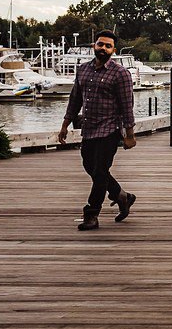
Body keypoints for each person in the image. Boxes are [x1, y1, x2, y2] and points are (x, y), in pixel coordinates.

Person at [58, 30, 136, 231]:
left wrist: (130, 135)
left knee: (100, 172)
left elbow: (127, 106)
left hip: (110, 130)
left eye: (108, 46)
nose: (103, 48)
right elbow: (75, 99)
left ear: (113, 50)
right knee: (90, 167)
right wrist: (65, 125)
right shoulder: (83, 69)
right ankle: (122, 196)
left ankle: (91, 214)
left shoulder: (121, 74)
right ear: (94, 45)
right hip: (89, 128)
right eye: (100, 44)